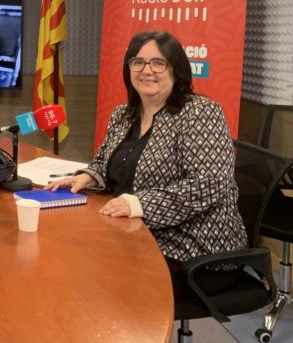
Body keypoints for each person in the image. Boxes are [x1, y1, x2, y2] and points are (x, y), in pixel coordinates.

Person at [47, 30, 247, 298]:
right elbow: (105, 160)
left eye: (158, 63)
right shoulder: (123, 114)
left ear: (176, 70)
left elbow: (209, 184)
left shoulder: (200, 113)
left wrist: (138, 203)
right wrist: (88, 176)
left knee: (90, 279)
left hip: (194, 249)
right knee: (62, 252)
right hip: (132, 233)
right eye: (138, 62)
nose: (147, 70)